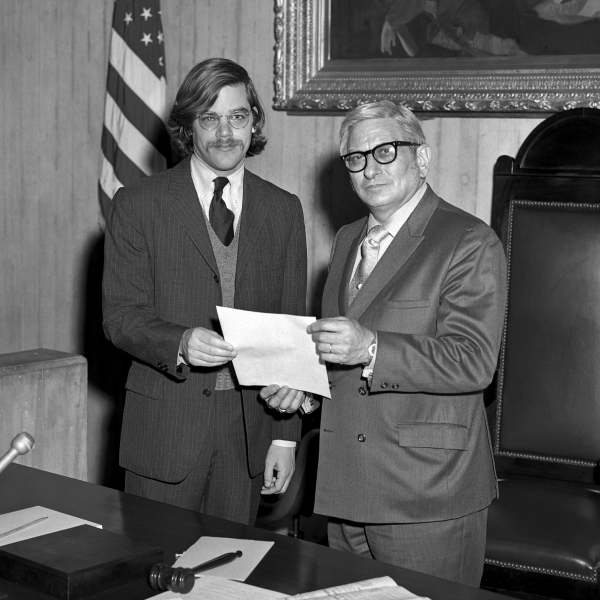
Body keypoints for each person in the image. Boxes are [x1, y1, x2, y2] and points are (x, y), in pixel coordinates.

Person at [306, 101, 507, 585]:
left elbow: (474, 361)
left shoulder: (469, 241)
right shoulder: (348, 239)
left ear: (422, 159)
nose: (369, 168)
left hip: (425, 494)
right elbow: (343, 353)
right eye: (356, 157)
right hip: (345, 488)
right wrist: (306, 386)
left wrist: (372, 347)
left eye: (385, 151)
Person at [102, 58, 307, 525]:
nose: (224, 133)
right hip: (164, 434)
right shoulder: (137, 205)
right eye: (208, 118)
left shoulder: (284, 211)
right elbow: (120, 317)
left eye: (237, 116)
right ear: (187, 127)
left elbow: (289, 334)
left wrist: (284, 437)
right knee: (152, 574)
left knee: (229, 578)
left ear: (254, 121)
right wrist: (179, 342)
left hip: (248, 434)